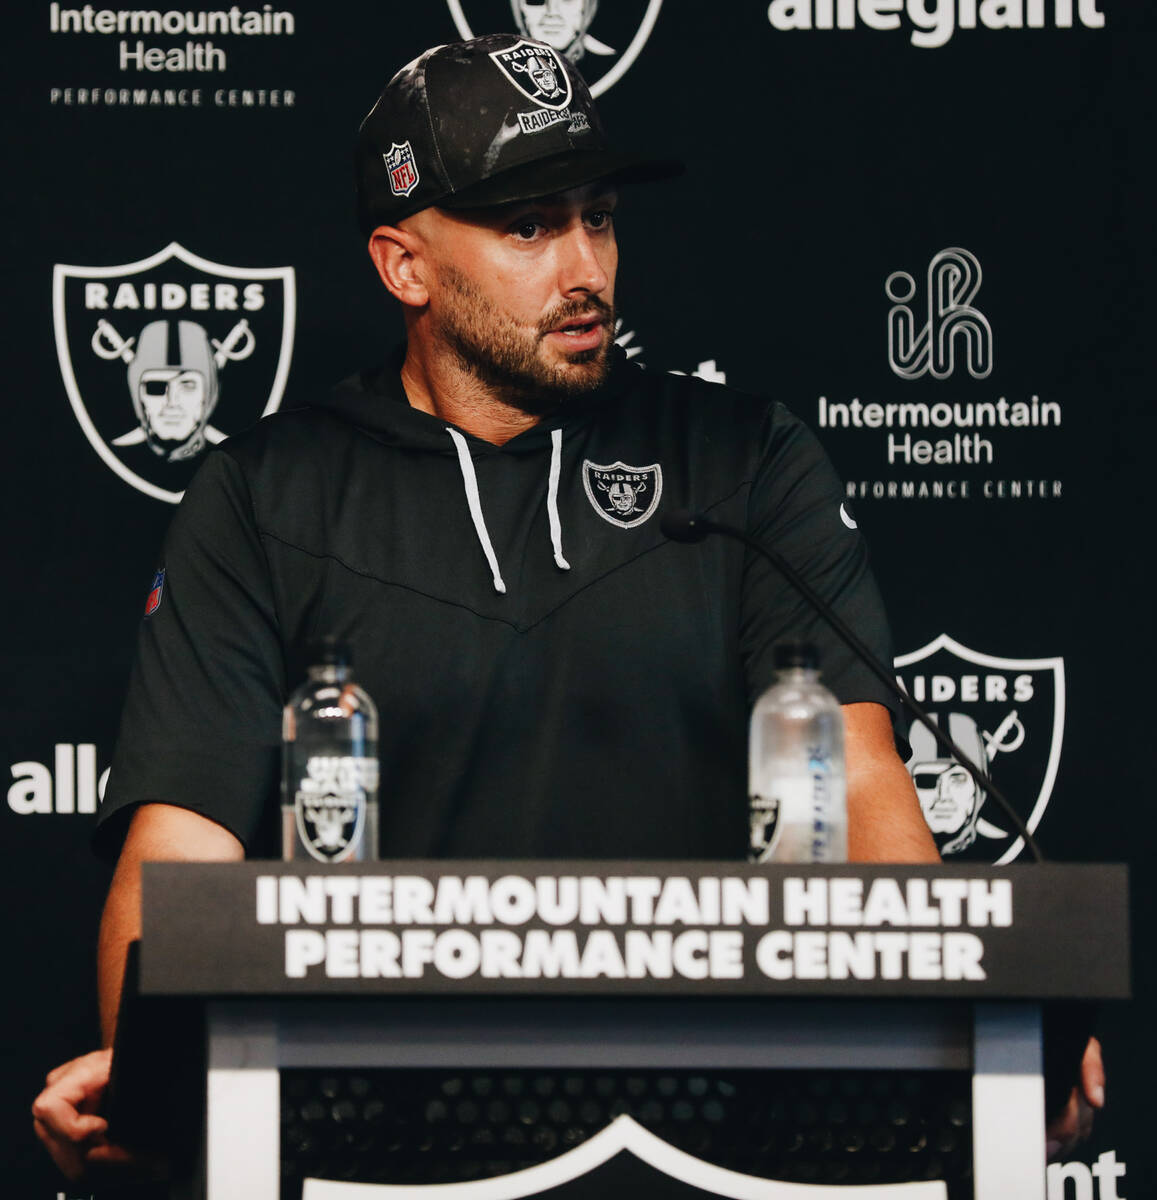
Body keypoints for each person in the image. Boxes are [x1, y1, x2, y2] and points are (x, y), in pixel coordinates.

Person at [32, 32, 1100, 1184]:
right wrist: (146, 1075)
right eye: (528, 227)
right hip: (372, 1156)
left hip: (721, 1147)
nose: (584, 266)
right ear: (404, 266)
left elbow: (858, 776)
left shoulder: (739, 461)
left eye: (596, 217)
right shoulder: (264, 496)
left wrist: (970, 1049)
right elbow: (183, 844)